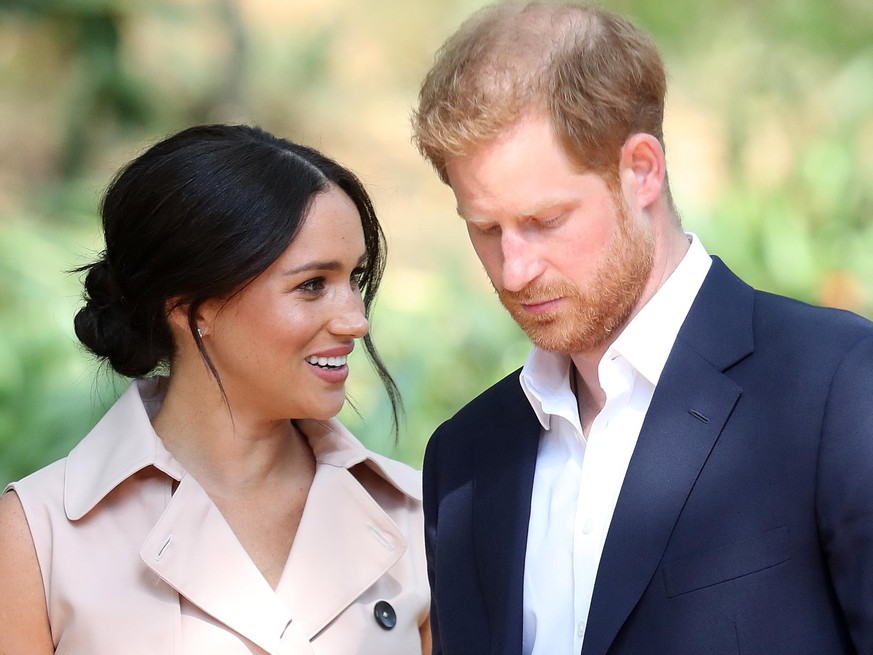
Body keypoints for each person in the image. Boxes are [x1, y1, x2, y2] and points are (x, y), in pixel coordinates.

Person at [411, 2, 873, 654]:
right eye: (485, 229)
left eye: (543, 220)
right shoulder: (462, 459)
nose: (513, 271)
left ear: (641, 169)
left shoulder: (837, 386)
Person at [0, 124, 431, 654]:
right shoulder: (39, 534)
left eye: (355, 281)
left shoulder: (415, 515)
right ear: (192, 308)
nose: (356, 321)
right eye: (312, 285)